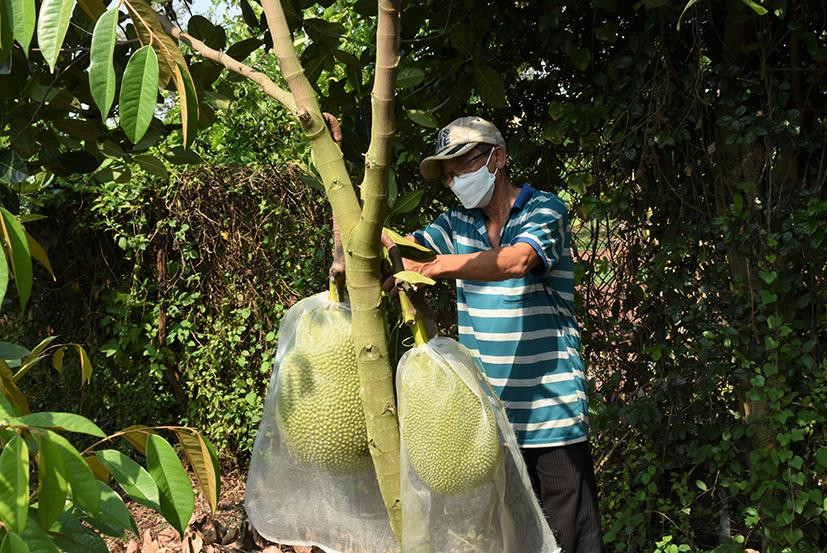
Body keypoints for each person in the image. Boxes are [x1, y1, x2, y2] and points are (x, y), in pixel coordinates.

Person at [397, 116, 605, 553]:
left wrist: (438, 265)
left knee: (571, 537)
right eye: (449, 174)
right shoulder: (456, 223)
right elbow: (403, 250)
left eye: (463, 165)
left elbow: (517, 260)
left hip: (551, 412)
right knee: (515, 539)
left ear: (499, 158)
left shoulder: (545, 208)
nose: (456, 181)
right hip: (492, 419)